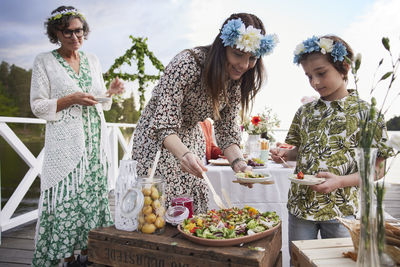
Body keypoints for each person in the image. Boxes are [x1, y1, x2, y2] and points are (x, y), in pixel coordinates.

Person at [131, 13, 278, 214]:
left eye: (252, 58)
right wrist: (184, 155)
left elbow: (226, 131)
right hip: (156, 139)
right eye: (237, 54)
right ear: (222, 47)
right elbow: (163, 123)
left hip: (191, 140)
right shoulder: (187, 63)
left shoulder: (237, 81)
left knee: (191, 210)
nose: (244, 65)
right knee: (157, 209)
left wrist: (240, 165)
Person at [270, 35, 393, 245]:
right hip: (301, 207)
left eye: (321, 73)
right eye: (309, 76)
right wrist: (284, 154)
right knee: (300, 261)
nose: (315, 82)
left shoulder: (367, 113)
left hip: (341, 211)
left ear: (344, 67)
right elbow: (301, 152)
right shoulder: (305, 112)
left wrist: (340, 181)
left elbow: (378, 170)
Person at [30, 6, 124, 267]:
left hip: (94, 143)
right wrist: (69, 99)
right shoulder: (44, 61)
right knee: (66, 202)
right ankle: (67, 259)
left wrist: (111, 92)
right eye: (68, 31)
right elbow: (37, 106)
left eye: (79, 30)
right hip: (66, 145)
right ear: (56, 33)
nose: (75, 36)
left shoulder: (92, 60)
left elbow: (98, 101)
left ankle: (90, 255)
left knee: (92, 199)